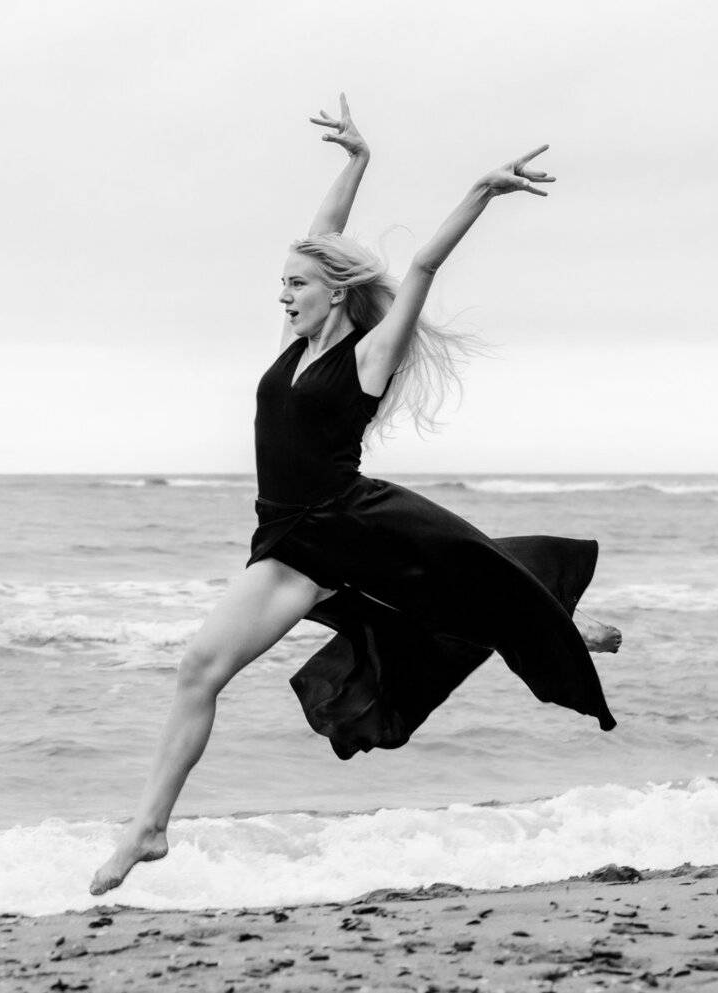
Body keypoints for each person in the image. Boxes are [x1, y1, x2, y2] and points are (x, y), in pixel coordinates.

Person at [88, 95, 621, 897]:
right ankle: (154, 827)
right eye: (282, 282)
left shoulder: (369, 359)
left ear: (335, 291)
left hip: (342, 528)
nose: (283, 294)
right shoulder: (291, 348)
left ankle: (146, 827)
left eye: (296, 284)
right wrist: (356, 162)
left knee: (215, 661)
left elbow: (422, 269)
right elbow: (320, 234)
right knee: (210, 668)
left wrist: (480, 191)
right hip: (285, 533)